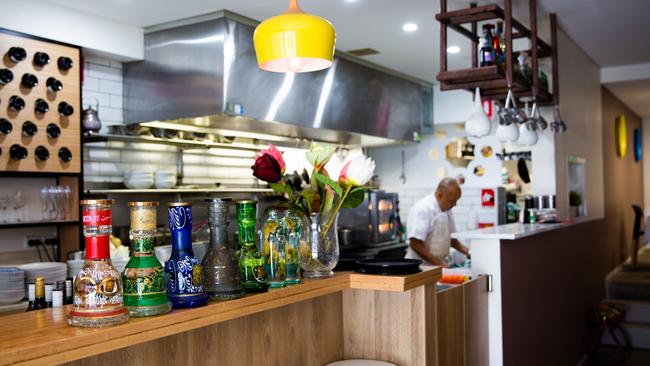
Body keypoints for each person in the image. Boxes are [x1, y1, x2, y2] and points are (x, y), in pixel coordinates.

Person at [405, 177, 470, 267]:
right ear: (439, 195)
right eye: (452, 201)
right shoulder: (423, 208)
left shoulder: (447, 210)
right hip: (420, 267)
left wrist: (469, 252)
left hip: (436, 266)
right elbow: (416, 244)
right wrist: (440, 264)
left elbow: (451, 240)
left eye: (456, 201)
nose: (454, 205)